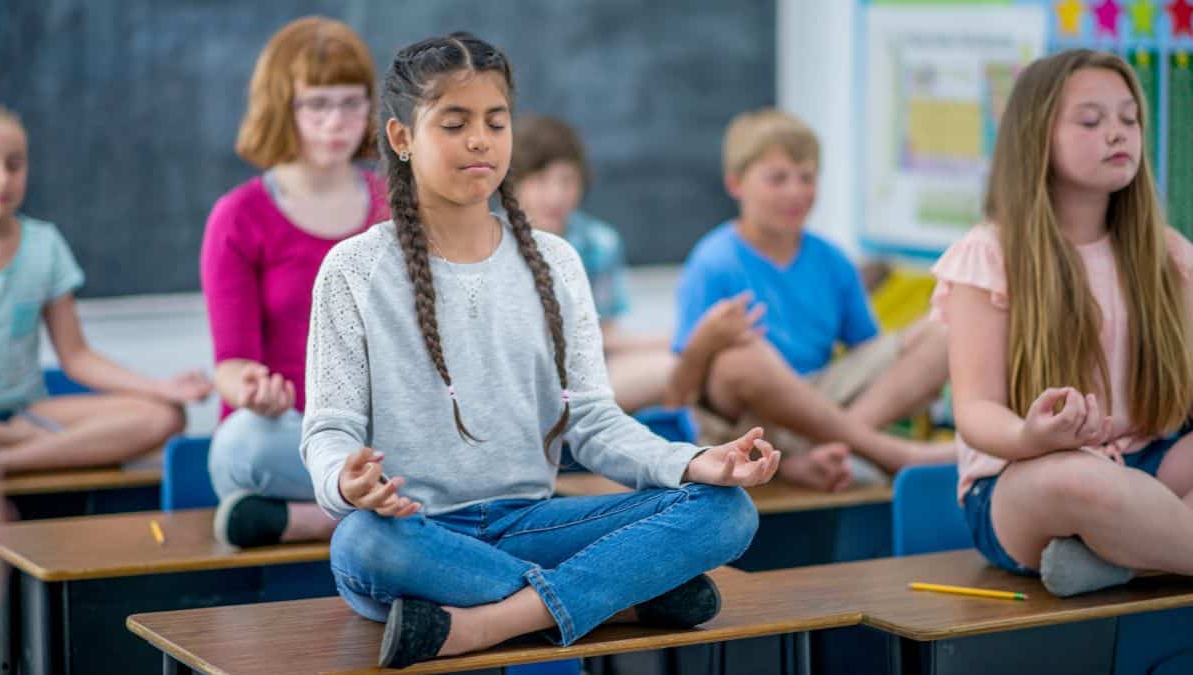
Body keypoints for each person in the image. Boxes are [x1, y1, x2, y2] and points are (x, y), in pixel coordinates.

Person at [301, 33, 780, 668]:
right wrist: (345, 479)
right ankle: (621, 597)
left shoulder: (554, 262)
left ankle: (488, 623)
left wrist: (694, 463)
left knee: (727, 513)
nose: (480, 140)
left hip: (532, 522)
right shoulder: (353, 269)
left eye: (495, 122)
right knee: (361, 543)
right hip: (415, 533)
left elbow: (593, 421)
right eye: (454, 123)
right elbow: (329, 426)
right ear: (401, 138)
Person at [933, 49, 1193, 597]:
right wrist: (1029, 436)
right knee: (1083, 479)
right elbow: (975, 409)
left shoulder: (1170, 256)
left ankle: (1116, 558)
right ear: (1037, 138)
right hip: (1025, 481)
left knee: (1120, 487)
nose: (1118, 133)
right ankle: (1136, 547)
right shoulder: (988, 255)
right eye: (1092, 120)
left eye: (1129, 119)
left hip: (1155, 463)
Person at [672, 108, 953, 491]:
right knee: (740, 359)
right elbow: (680, 396)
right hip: (748, 425)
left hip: (822, 407)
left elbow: (870, 355)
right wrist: (705, 342)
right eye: (777, 179)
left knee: (944, 330)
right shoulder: (713, 261)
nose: (796, 192)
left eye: (806, 177)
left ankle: (835, 449)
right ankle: (886, 453)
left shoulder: (832, 260)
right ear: (736, 184)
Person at [200, 17, 388, 547]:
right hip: (291, 435)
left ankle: (309, 522)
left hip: (382, 431)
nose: (337, 123)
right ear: (283, 107)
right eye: (317, 105)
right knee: (239, 446)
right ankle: (398, 510)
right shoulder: (239, 217)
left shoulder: (394, 205)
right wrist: (254, 393)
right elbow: (232, 366)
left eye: (352, 103)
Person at [0, 104, 210, 474]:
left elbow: (76, 356)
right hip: (28, 426)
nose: (2, 180)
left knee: (165, 416)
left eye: (14, 165)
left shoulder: (44, 245)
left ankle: (6, 458)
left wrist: (160, 387)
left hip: (26, 415)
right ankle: (50, 447)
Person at [512, 115, 676, 413]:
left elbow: (605, 334)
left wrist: (673, 341)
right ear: (512, 185)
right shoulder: (490, 240)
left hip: (585, 372)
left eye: (567, 181)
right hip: (518, 379)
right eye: (540, 181)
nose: (555, 195)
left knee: (674, 366)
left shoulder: (599, 243)